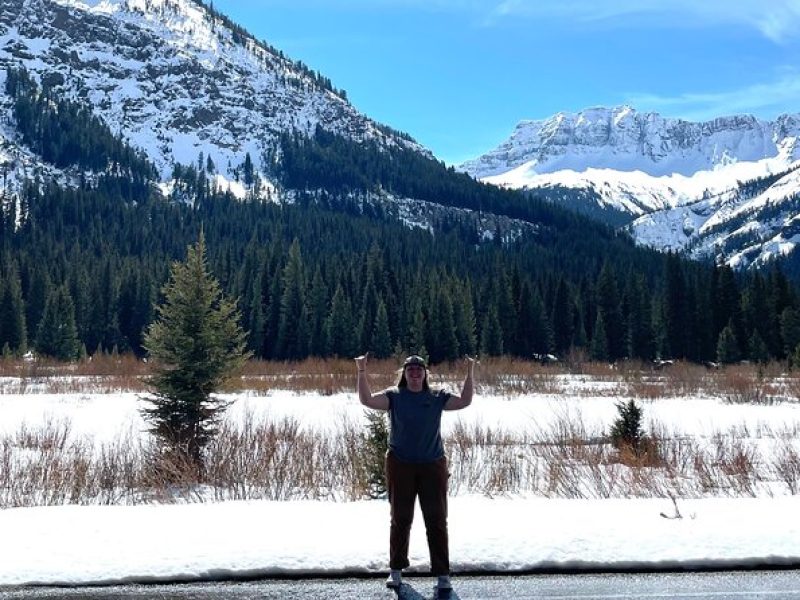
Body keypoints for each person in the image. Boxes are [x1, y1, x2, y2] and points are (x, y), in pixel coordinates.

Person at [355, 353, 475, 593]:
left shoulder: (437, 397)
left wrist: (470, 372)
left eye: (419, 370)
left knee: (437, 520)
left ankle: (443, 574)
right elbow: (367, 400)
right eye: (410, 370)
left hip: (433, 465)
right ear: (404, 374)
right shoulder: (394, 397)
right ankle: (396, 570)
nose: (415, 374)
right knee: (400, 518)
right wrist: (361, 370)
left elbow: (464, 401)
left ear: (425, 374)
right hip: (401, 464)